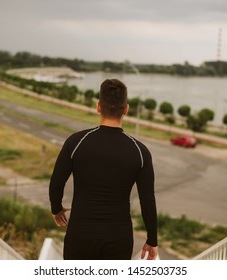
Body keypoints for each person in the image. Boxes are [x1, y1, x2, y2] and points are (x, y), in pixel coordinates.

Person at [49, 78, 157, 260]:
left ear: (98, 107)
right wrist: (152, 240)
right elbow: (148, 199)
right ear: (126, 110)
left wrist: (56, 209)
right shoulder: (140, 151)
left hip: (80, 234)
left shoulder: (76, 142)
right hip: (118, 237)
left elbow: (56, 183)